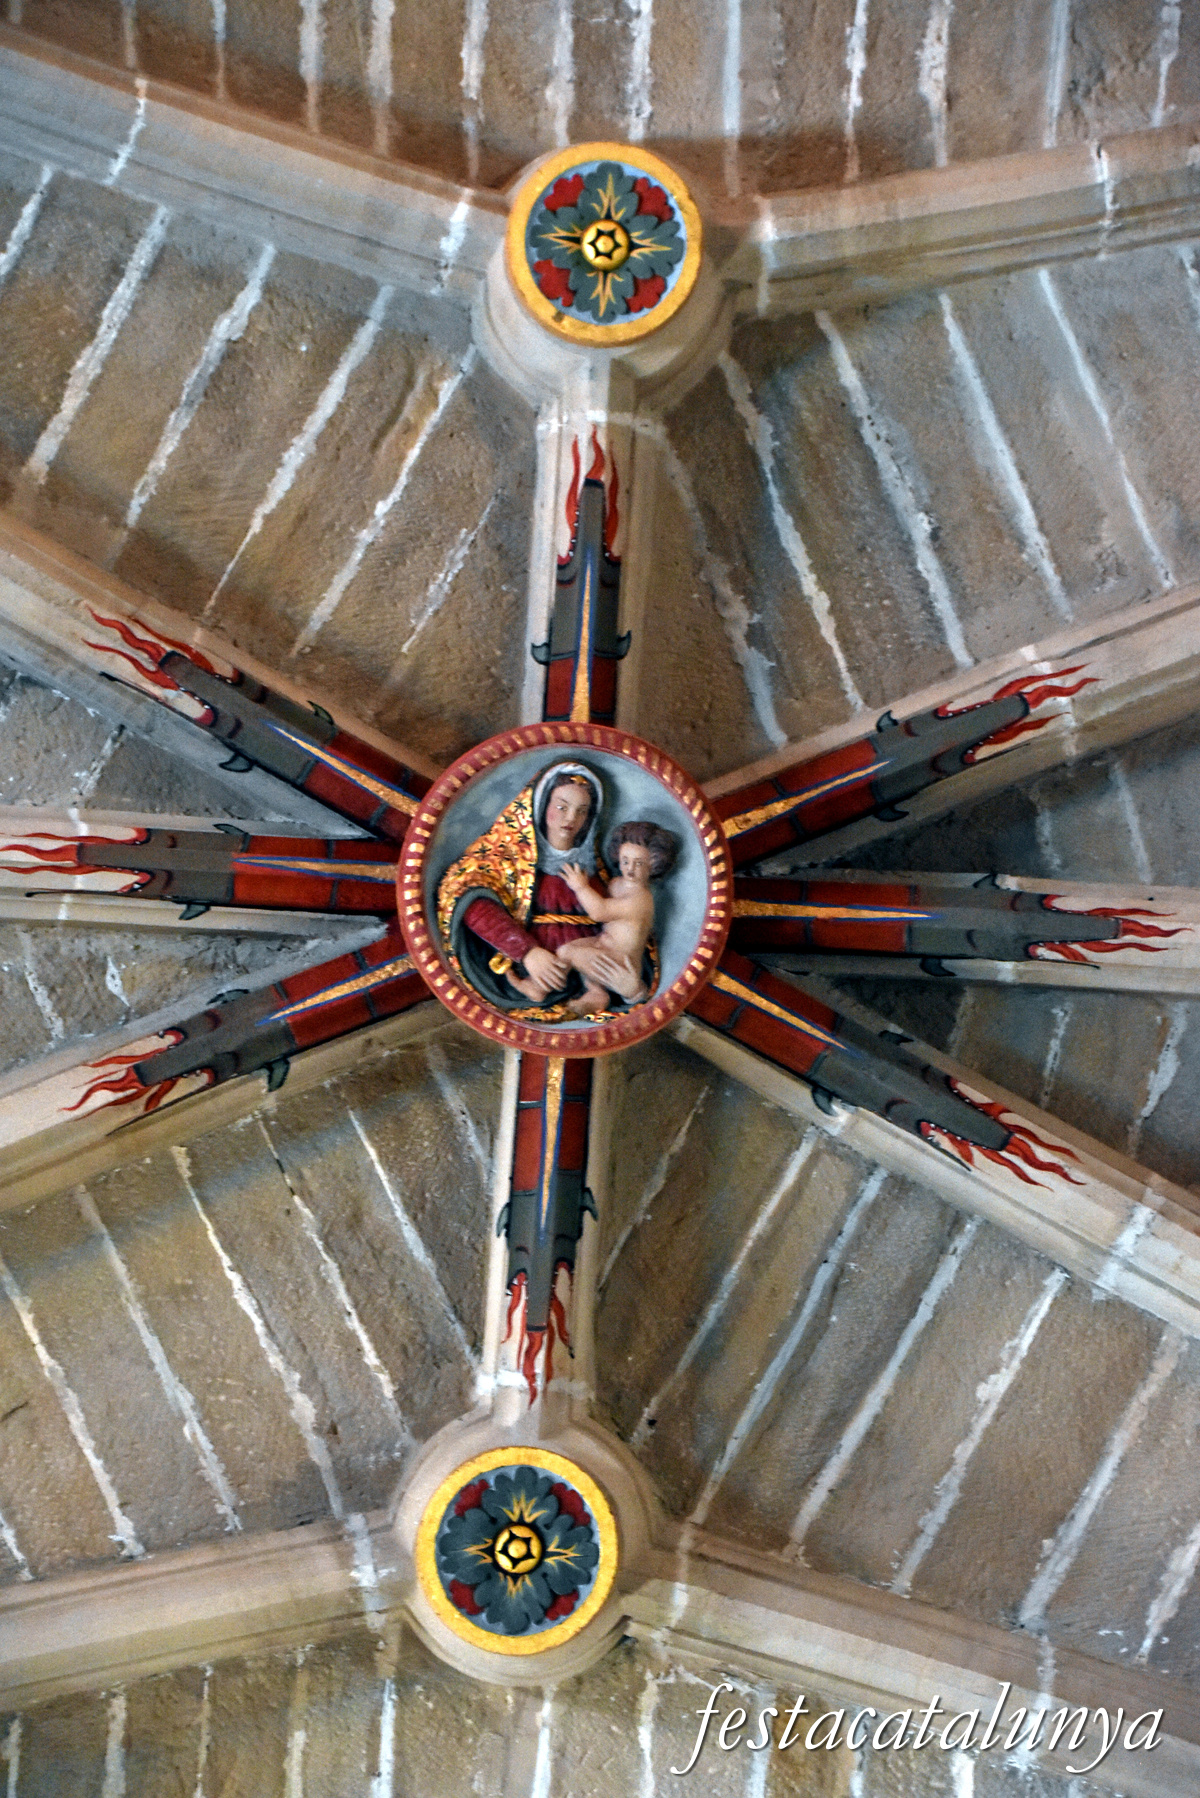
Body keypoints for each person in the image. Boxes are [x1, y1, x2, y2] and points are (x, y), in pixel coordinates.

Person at [436, 761, 648, 1017]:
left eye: (582, 811)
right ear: (540, 805)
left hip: (583, 977)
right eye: (561, 807)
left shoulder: (598, 876)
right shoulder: (507, 859)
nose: (571, 818)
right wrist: (527, 952)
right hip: (529, 972)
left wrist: (632, 990)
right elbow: (467, 898)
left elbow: (630, 936)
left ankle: (594, 994)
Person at [537, 821, 678, 1016]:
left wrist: (580, 886)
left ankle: (540, 990)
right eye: (625, 860)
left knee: (567, 952)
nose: (630, 868)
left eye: (639, 863)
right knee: (567, 950)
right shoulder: (617, 883)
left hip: (617, 964)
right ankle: (596, 992)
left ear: (653, 865)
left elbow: (599, 911)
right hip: (604, 946)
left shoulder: (640, 900)